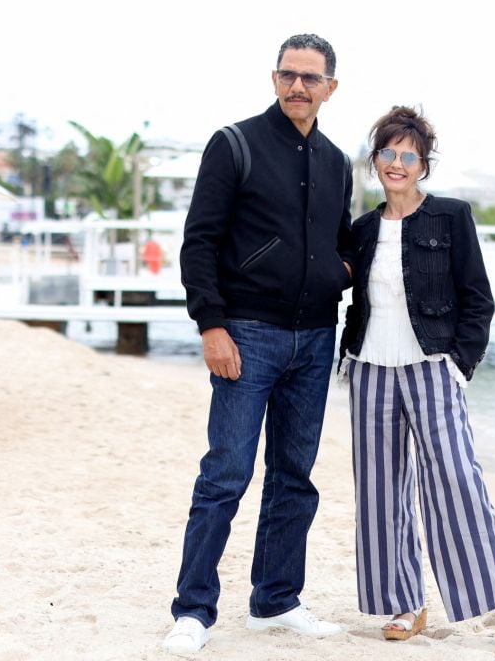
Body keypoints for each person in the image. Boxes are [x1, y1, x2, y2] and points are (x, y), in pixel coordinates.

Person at [162, 33, 353, 654]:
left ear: (331, 87)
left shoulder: (335, 161)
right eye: (288, 74)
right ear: (274, 78)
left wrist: (338, 273)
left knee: (294, 476)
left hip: (316, 338)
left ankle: (275, 601)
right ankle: (193, 611)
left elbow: (342, 241)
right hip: (247, 334)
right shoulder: (235, 143)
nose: (298, 86)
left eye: (310, 77)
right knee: (226, 474)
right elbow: (200, 241)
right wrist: (210, 324)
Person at [338, 106, 495, 650]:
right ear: (375, 160)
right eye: (388, 154)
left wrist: (459, 365)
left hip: (432, 367)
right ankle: (406, 602)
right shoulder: (362, 229)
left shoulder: (451, 217)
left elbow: (478, 299)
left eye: (408, 156)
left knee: (457, 481)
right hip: (370, 368)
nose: (397, 164)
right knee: (380, 492)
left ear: (424, 165)